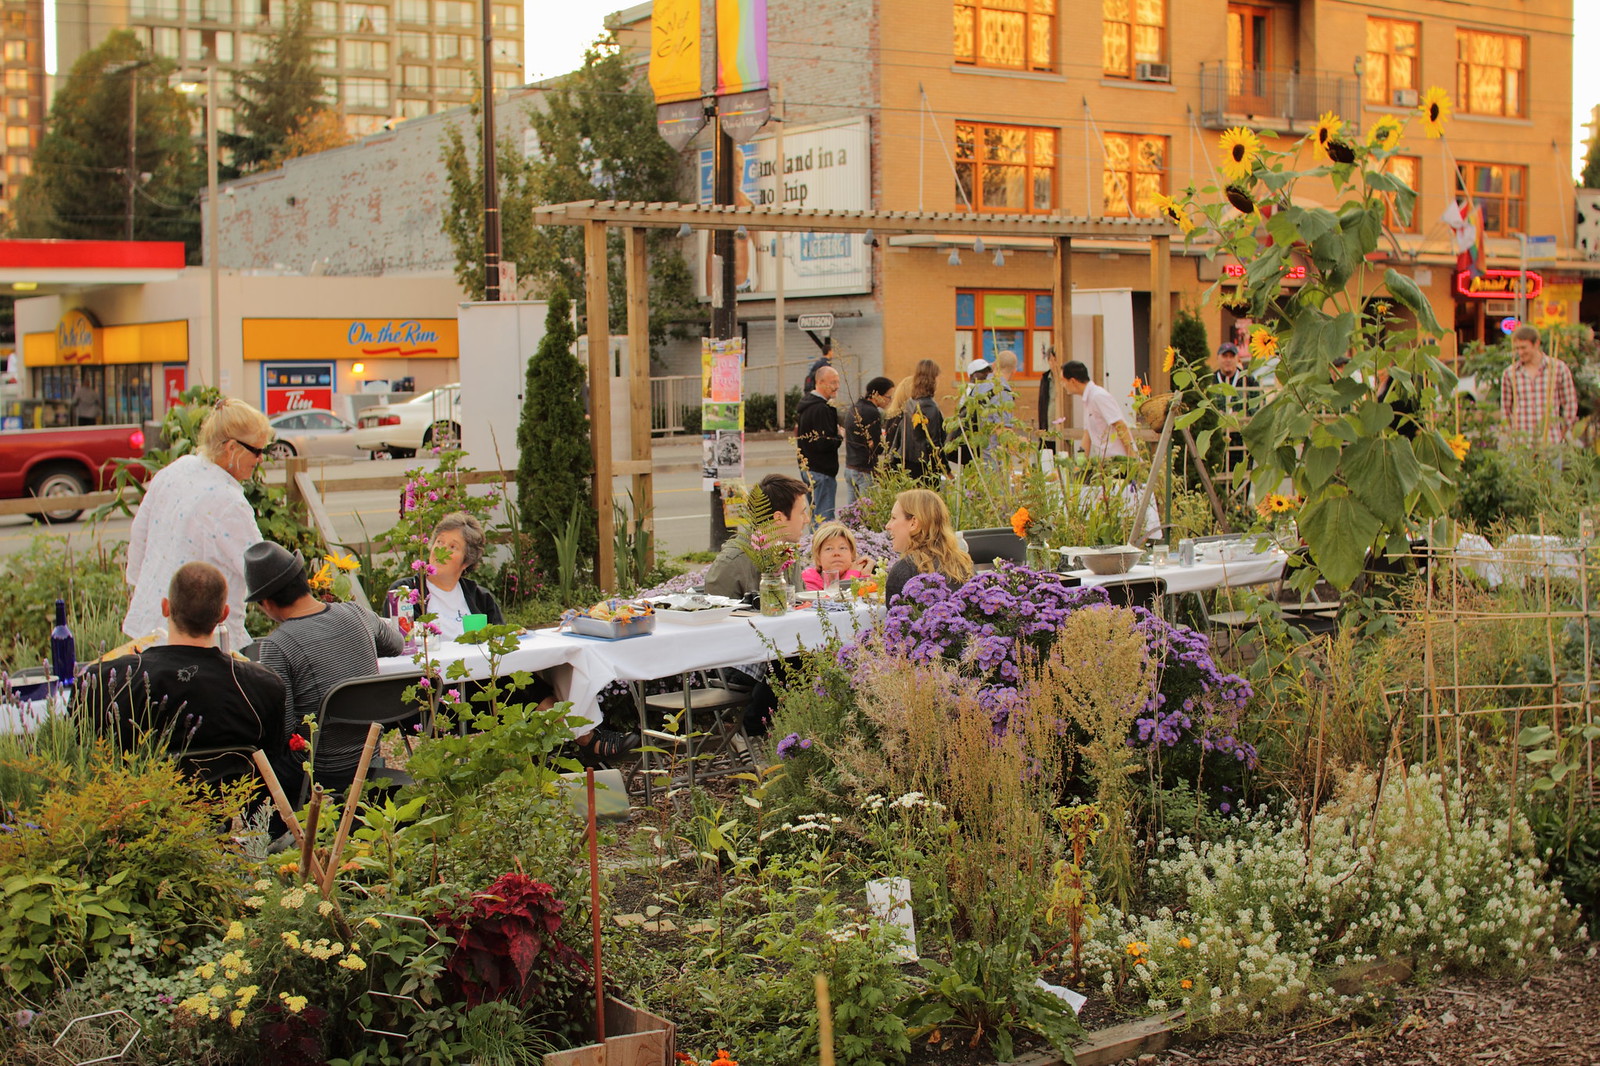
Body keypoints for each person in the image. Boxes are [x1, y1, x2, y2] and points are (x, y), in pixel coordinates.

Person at [79, 561, 295, 794]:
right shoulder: (263, 686)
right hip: (233, 816)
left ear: (165, 608)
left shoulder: (103, 681)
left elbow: (84, 755)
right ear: (223, 614)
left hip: (141, 818)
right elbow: (272, 763)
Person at [245, 541, 403, 776]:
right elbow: (396, 644)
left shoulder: (277, 645)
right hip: (368, 756)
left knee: (253, 767)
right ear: (304, 578)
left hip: (315, 765)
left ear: (266, 603)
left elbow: (283, 730)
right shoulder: (357, 613)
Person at [123, 398, 270, 651]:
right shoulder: (229, 502)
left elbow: (139, 538)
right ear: (232, 448)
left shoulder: (176, 469)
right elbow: (261, 573)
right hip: (201, 643)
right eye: (257, 451)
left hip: (148, 629)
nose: (260, 459)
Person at [387, 512, 504, 642]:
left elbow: (500, 642)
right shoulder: (405, 592)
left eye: (453, 547)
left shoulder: (481, 598)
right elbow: (395, 644)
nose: (441, 551)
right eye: (440, 542)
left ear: (466, 561)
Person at [704, 473, 811, 599]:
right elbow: (716, 615)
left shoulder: (788, 552)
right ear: (779, 518)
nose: (807, 519)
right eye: (802, 512)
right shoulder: (732, 563)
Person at [883, 489, 974, 603]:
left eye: (893, 518)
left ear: (913, 523)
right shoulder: (963, 564)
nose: (887, 526)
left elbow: (895, 617)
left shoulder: (905, 569)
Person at [1500, 324, 1577, 445]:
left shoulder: (1558, 368)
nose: (1520, 352)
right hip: (1521, 445)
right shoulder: (1510, 373)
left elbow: (1570, 403)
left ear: (1536, 344)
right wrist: (1510, 433)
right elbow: (1505, 408)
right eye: (1517, 348)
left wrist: (1563, 431)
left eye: (1524, 347)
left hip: (1550, 443)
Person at [794, 365, 844, 521]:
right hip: (822, 471)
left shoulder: (807, 406)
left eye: (838, 382)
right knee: (823, 520)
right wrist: (839, 436)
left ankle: (814, 544)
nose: (837, 387)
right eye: (833, 382)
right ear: (820, 382)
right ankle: (819, 545)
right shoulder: (821, 409)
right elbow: (823, 443)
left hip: (810, 468)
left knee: (816, 517)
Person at [1060, 360, 1136, 459]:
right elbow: (1087, 435)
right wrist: (1080, 465)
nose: (1062, 385)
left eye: (1063, 381)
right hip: (1106, 463)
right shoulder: (1087, 399)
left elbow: (1120, 425)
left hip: (1121, 462)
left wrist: (1133, 459)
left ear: (1073, 381)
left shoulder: (1098, 396)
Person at [887, 359, 947, 482]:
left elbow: (900, 437)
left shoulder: (910, 403)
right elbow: (934, 444)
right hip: (924, 467)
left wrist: (891, 460)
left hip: (907, 463)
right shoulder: (930, 406)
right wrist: (947, 470)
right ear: (933, 379)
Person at [843, 375, 894, 504]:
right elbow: (877, 446)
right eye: (888, 396)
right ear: (877, 394)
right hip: (864, 469)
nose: (890, 400)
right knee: (867, 514)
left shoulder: (855, 407)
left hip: (850, 466)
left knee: (851, 514)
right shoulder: (871, 412)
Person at [801, 522, 870, 591]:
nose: (836, 553)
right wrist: (852, 576)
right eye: (829, 549)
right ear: (818, 558)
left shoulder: (862, 578)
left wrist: (866, 575)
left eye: (842, 548)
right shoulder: (807, 581)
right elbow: (837, 600)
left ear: (852, 555)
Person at [1211, 344, 1258, 413]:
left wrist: (1243, 414)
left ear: (1237, 358)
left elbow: (1259, 406)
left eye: (1232, 356)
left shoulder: (1249, 380)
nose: (1228, 360)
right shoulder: (1211, 380)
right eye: (1225, 356)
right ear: (1217, 358)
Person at [1038, 346, 1060, 450]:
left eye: (1055, 360)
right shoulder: (1046, 378)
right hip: (1048, 425)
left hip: (1061, 427)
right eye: (1050, 360)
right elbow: (1042, 404)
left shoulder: (1066, 379)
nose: (1053, 363)